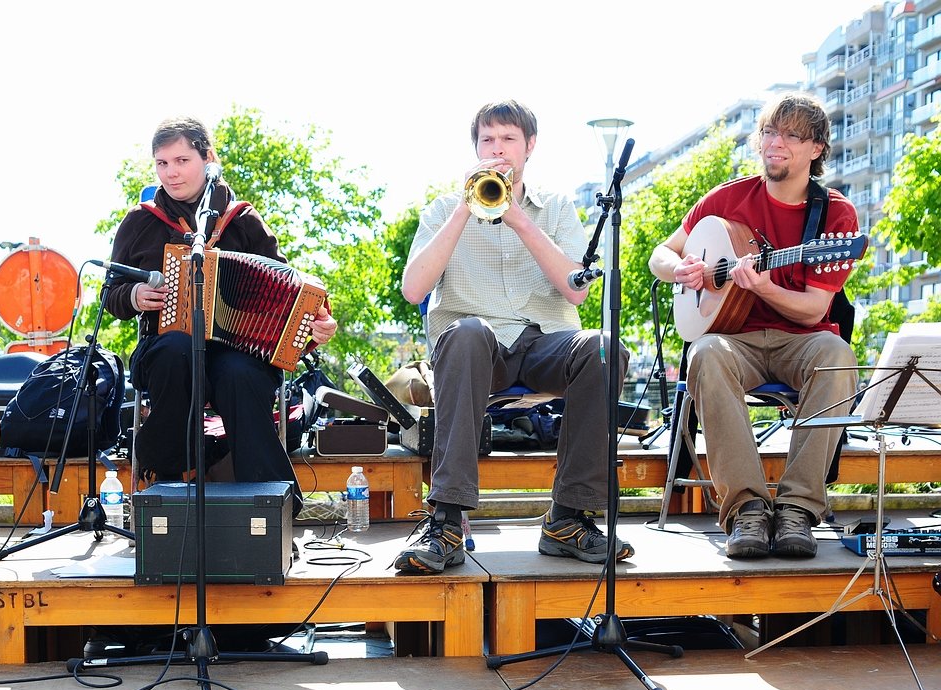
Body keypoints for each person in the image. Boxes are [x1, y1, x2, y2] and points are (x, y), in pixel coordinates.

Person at [395, 99, 634, 575]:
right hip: (476, 346)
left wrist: (519, 219)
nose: (498, 149)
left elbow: (575, 290)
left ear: (530, 147)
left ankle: (568, 517)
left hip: (545, 341)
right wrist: (466, 210)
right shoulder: (443, 209)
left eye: (508, 139)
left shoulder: (559, 207)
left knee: (605, 348)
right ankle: (446, 520)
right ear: (475, 148)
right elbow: (414, 289)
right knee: (466, 332)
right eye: (488, 140)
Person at [648, 91, 859, 560]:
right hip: (732, 338)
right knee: (704, 353)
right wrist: (677, 269)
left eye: (791, 135)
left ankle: (799, 510)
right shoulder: (728, 198)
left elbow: (811, 310)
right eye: (769, 132)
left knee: (837, 355)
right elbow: (661, 253)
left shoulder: (834, 216)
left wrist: (762, 287)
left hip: (799, 340)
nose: (775, 143)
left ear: (817, 148)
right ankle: (746, 509)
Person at [102, 116, 336, 515]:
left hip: (236, 351)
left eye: (181, 160)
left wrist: (317, 326)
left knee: (239, 373)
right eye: (162, 163)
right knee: (177, 350)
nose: (171, 173)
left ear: (207, 158)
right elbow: (111, 294)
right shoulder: (141, 222)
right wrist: (136, 295)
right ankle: (169, 489)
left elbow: (290, 291)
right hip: (164, 348)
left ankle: (272, 504)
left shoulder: (241, 219)